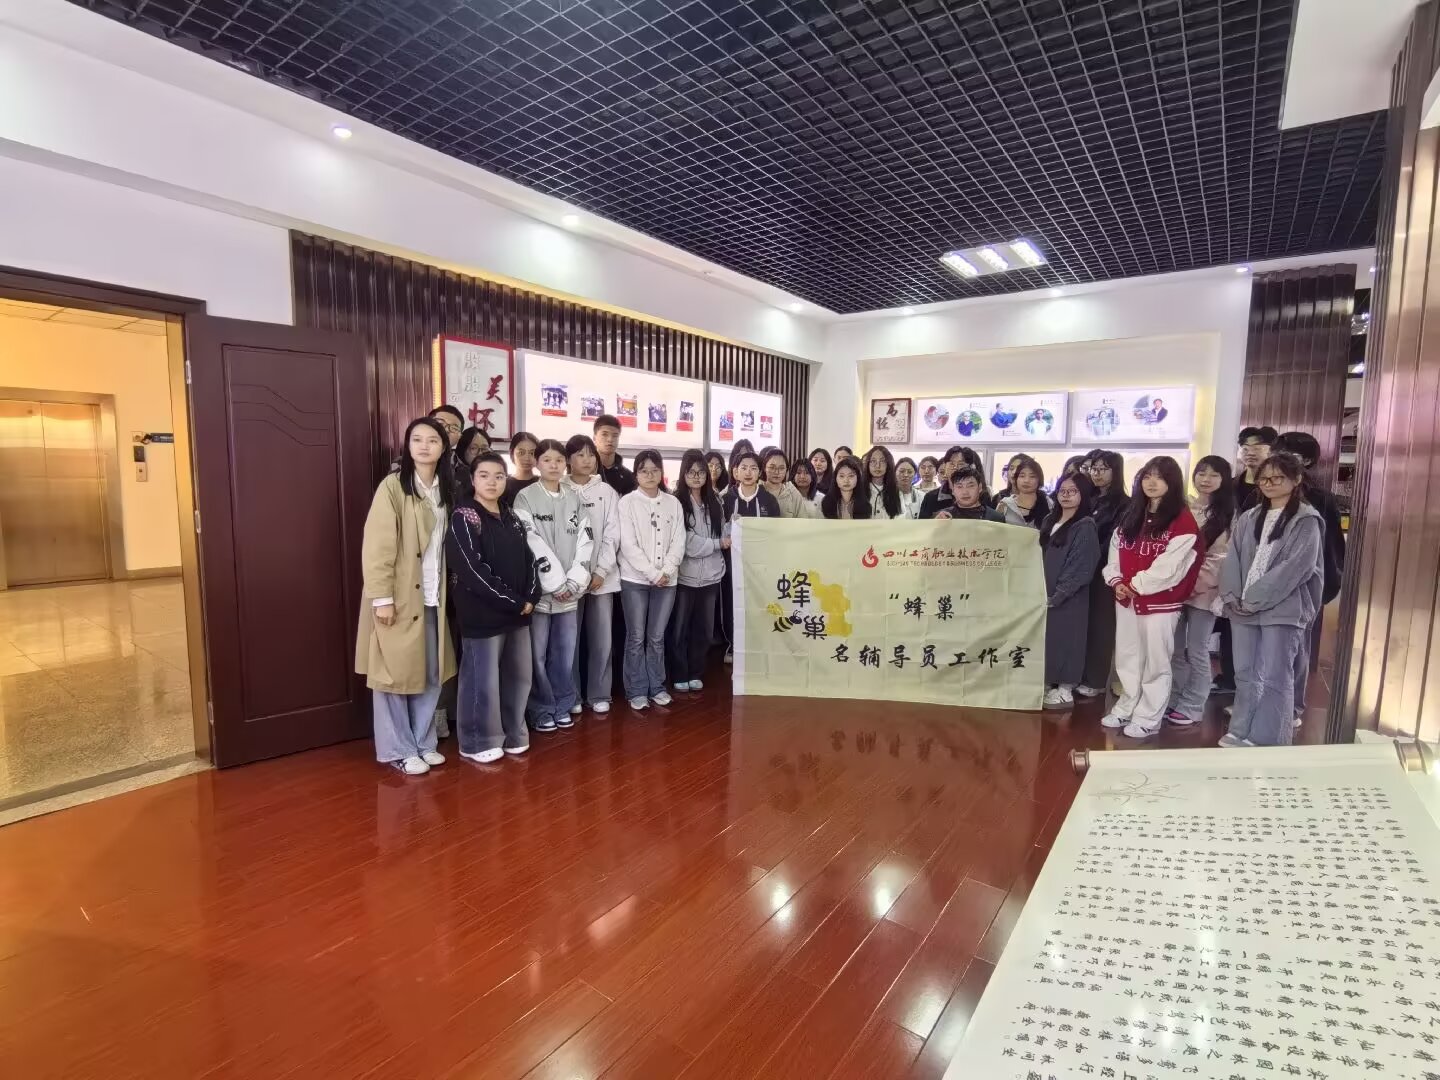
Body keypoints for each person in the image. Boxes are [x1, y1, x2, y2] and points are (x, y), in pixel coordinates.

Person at [356, 417, 457, 775]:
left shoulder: (447, 488)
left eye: (433, 440)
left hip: (433, 596)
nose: (424, 446)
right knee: (392, 675)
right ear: (408, 445)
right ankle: (398, 748)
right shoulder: (394, 486)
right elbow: (378, 546)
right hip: (399, 597)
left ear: (444, 447)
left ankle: (423, 742)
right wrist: (381, 598)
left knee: (429, 672)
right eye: (417, 439)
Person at [1218, 452, 1324, 748]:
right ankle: (1240, 729)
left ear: (1296, 479)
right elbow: (1232, 558)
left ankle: (1267, 738)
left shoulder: (1306, 519)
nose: (1269, 483)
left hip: (1283, 608)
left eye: (1278, 478)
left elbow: (1297, 567)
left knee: (1276, 676)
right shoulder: (1250, 517)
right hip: (1242, 607)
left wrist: (1254, 598)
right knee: (1245, 673)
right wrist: (1232, 595)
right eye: (1264, 478)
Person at [446, 451, 539, 763]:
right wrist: (514, 601)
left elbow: (530, 560)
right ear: (473, 480)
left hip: (519, 613)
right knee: (481, 680)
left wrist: (532, 596)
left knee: (519, 676)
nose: (492, 482)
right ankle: (477, 740)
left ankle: (514, 733)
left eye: (499, 476)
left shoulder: (511, 516)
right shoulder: (464, 517)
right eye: (484, 475)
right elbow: (471, 570)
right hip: (484, 615)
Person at [1101, 456, 1203, 739]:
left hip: (1161, 603)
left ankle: (1148, 717)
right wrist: (1116, 581)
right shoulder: (1131, 515)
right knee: (1128, 656)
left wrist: (1135, 585)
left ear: (1172, 482)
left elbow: (1172, 567)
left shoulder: (1182, 520)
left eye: (1160, 477)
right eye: (1147, 476)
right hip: (1127, 600)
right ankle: (1127, 706)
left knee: (1156, 661)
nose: (1152, 482)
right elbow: (1114, 553)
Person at [511, 439, 594, 733]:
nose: (553, 465)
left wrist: (574, 581)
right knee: (537, 655)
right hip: (541, 592)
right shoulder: (525, 498)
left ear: (565, 463)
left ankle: (562, 704)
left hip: (570, 593)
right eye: (546, 460)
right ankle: (541, 709)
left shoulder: (574, 498)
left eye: (558, 460)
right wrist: (555, 582)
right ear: (537, 463)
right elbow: (530, 542)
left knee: (565, 652)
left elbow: (586, 540)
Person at [1273, 430, 1346, 725]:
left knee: (1296, 648)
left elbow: (1333, 549)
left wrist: (1325, 588)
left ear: (1307, 461)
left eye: (1292, 455)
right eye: (1280, 453)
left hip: (1303, 588)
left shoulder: (1320, 498)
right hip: (1266, 585)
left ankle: (1292, 707)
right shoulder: (1264, 493)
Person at [1163, 456, 1236, 727]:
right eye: (1201, 473)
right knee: (1174, 648)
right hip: (1175, 587)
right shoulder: (1183, 508)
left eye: (1214, 475)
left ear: (1224, 480)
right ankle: (1175, 697)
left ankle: (1193, 705)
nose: (1206, 479)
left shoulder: (1229, 514)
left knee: (1197, 649)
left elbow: (1221, 559)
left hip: (1204, 591)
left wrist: (1190, 583)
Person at [617, 450, 685, 710]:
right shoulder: (627, 503)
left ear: (661, 473)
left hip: (667, 581)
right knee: (636, 636)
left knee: (656, 637)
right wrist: (653, 573)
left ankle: (656, 686)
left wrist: (666, 570)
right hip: (635, 580)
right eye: (644, 470)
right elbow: (628, 545)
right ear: (636, 474)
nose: (649, 475)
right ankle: (636, 689)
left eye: (654, 470)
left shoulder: (673, 503)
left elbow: (679, 540)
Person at [564, 434, 620, 716]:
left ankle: (599, 693)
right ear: (568, 459)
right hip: (568, 579)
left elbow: (612, 533)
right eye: (579, 454)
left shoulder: (607, 492)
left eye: (590, 455)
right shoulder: (559, 488)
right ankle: (571, 694)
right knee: (568, 640)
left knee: (602, 640)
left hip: (602, 578)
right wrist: (571, 575)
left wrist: (600, 570)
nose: (586, 460)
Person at [1040, 473, 1101, 708]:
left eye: (1072, 491)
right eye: (1062, 490)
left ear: (1082, 494)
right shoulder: (1050, 520)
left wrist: (1060, 594)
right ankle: (1048, 682)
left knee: (1069, 639)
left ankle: (1066, 688)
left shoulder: (1084, 526)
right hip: (1044, 592)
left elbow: (1081, 566)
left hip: (1069, 597)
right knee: (1049, 640)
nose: (1066, 495)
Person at [669, 450, 727, 693]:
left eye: (701, 472)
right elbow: (687, 544)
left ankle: (695, 672)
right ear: (683, 473)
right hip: (685, 577)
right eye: (691, 472)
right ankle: (679, 672)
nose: (696, 476)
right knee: (679, 629)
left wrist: (725, 539)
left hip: (711, 576)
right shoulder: (676, 502)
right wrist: (717, 544)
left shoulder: (715, 502)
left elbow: (724, 532)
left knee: (703, 629)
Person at [1076, 450, 1127, 699]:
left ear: (1115, 471)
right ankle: (1079, 674)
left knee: (1101, 626)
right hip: (1080, 569)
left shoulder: (1124, 503)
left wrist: (1091, 557)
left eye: (1103, 469)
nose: (1096, 474)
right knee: (1082, 625)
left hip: (1104, 572)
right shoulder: (1089, 498)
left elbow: (1114, 542)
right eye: (1093, 468)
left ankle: (1096, 680)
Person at [723, 450, 783, 519]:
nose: (748, 473)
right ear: (736, 472)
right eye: (744, 468)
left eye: (753, 468)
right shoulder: (726, 499)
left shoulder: (770, 500)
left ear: (759, 473)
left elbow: (775, 525)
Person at [761, 448, 820, 518]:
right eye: (772, 467)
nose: (777, 472)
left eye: (781, 468)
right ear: (764, 468)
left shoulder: (792, 492)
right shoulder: (757, 490)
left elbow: (802, 520)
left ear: (786, 470)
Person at [934, 466, 1004, 521]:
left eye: (970, 486)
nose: (965, 492)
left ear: (980, 488)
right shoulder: (943, 516)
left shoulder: (995, 518)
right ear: (953, 490)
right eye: (959, 486)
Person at [997, 455, 1050, 527]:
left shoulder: (1049, 504)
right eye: (1022, 476)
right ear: (1016, 479)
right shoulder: (1004, 505)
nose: (1026, 480)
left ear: (1039, 479)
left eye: (1032, 476)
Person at [917, 447, 968, 519]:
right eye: (952, 463)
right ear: (945, 466)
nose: (956, 467)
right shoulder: (931, 497)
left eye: (961, 464)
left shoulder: (977, 494)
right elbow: (922, 524)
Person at [1234, 425, 1276, 510]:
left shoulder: (1278, 485)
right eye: (1245, 449)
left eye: (1257, 448)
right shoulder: (1231, 484)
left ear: (1272, 451)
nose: (1250, 453)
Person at [593, 415, 636, 496]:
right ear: (594, 438)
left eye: (615, 435)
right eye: (604, 434)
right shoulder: (585, 471)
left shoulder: (628, 477)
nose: (610, 439)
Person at [863, 446, 905, 519]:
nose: (877, 466)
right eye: (873, 461)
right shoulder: (860, 490)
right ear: (868, 464)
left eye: (882, 461)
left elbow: (901, 518)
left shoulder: (896, 492)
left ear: (888, 464)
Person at [504, 430, 539, 502]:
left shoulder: (543, 483)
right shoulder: (503, 484)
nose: (527, 458)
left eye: (532, 453)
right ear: (512, 454)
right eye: (521, 453)